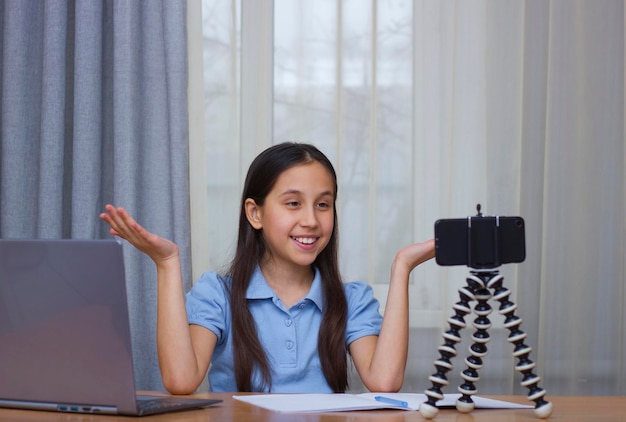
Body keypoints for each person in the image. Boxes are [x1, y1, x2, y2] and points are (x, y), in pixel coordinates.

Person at [100, 142, 434, 394]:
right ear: (255, 213)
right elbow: (180, 380)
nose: (311, 221)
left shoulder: (351, 300)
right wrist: (166, 263)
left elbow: (385, 381)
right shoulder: (217, 295)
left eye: (323, 204)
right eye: (293, 203)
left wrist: (402, 267)